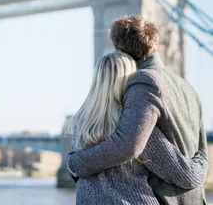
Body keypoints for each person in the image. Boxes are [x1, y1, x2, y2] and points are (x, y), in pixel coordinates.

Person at [67, 15, 208, 204]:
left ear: (121, 50)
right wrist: (200, 168)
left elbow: (129, 145)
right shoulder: (189, 89)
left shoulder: (143, 81)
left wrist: (74, 164)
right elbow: (202, 151)